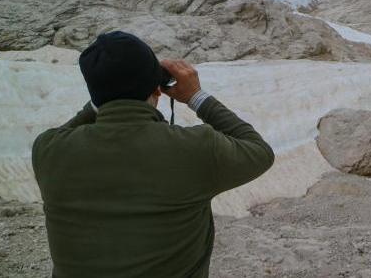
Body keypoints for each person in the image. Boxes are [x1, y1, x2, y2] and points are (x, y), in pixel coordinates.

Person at [32, 31, 274, 278]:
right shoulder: (195, 148)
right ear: (158, 90)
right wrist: (195, 96)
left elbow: (69, 128)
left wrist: (102, 96)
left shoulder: (48, 150)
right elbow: (259, 151)